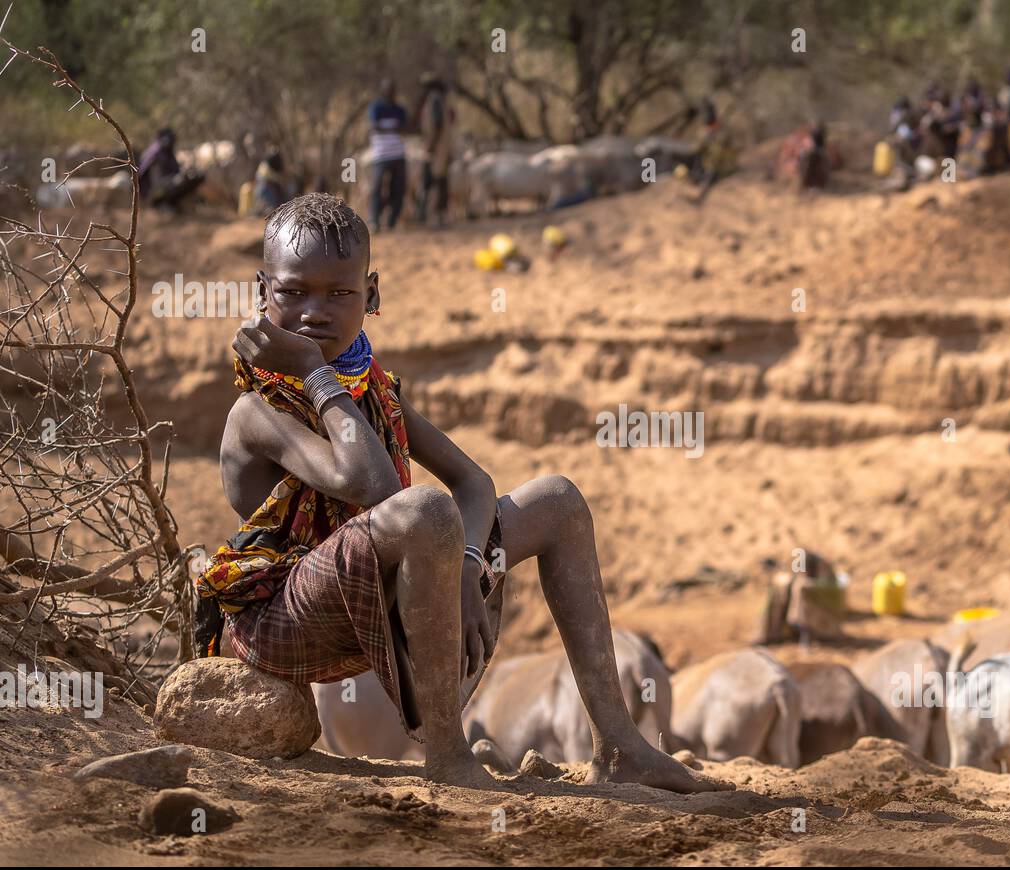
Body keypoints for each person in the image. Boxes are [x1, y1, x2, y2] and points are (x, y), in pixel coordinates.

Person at [193, 193, 728, 794]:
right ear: (262, 290)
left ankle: (620, 744)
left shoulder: (376, 390)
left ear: (371, 295)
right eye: (294, 292)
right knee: (424, 508)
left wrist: (469, 567)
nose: (315, 312)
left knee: (557, 500)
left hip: (379, 600)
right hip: (284, 620)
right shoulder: (258, 408)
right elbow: (370, 484)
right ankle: (447, 756)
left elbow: (474, 482)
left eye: (339, 294)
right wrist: (315, 374)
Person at [367, 79, 408, 231]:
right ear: (383, 91)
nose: (389, 92)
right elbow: (373, 127)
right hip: (380, 154)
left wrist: (390, 129)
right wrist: (394, 129)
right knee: (377, 187)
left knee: (399, 188)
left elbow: (405, 128)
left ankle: (392, 220)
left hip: (398, 153)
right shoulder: (376, 108)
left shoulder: (399, 109)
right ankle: (375, 220)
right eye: (387, 89)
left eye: (392, 89)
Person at [415, 75, 455, 227]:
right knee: (440, 181)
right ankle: (439, 216)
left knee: (434, 182)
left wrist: (431, 145)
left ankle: (434, 216)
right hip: (443, 147)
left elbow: (437, 124)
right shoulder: (442, 100)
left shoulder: (435, 99)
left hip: (437, 148)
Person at [137, 127, 205, 211]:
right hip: (154, 191)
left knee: (196, 177)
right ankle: (161, 204)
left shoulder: (168, 153)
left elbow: (176, 170)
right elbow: (157, 181)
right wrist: (178, 179)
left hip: (165, 184)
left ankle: (176, 203)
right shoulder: (156, 155)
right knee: (181, 181)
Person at [253, 148, 291, 215]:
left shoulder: (265, 166)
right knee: (271, 209)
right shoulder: (266, 167)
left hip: (263, 188)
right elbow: (271, 181)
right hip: (266, 189)